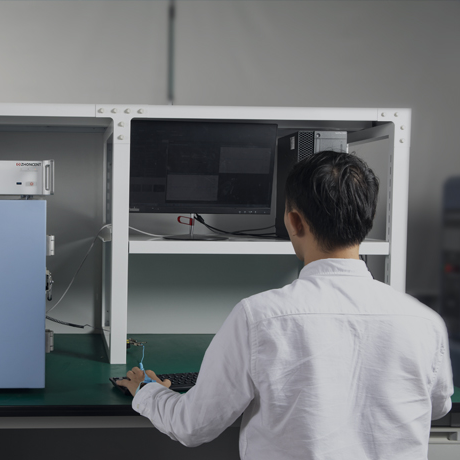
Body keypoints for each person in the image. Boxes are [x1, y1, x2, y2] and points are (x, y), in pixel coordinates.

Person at [116, 151, 454, 459]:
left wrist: (147, 391)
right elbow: (438, 406)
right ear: (368, 219)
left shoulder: (258, 317)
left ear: (294, 222)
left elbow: (192, 426)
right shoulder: (426, 321)